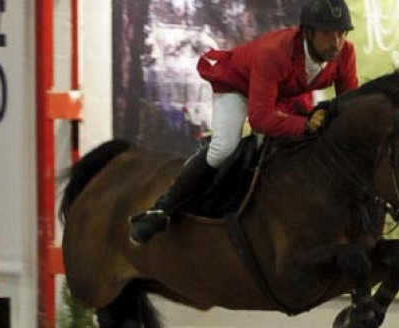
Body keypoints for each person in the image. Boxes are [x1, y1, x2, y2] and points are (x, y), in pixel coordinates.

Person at [129, 0, 359, 244]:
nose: (336, 42)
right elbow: (260, 120)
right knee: (224, 148)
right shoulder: (274, 53)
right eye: (327, 33)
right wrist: (304, 125)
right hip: (237, 86)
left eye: (341, 33)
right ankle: (162, 209)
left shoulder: (345, 54)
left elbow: (349, 106)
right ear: (308, 32)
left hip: (279, 91)